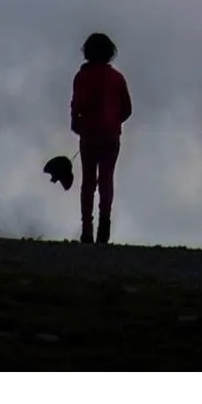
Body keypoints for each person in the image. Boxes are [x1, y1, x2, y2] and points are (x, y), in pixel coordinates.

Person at [70, 31, 132, 245]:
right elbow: (127, 109)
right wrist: (115, 121)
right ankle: (104, 224)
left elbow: (76, 106)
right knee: (106, 179)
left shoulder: (82, 77)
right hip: (111, 134)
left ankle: (87, 227)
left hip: (89, 133)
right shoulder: (117, 78)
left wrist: (77, 123)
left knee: (88, 181)